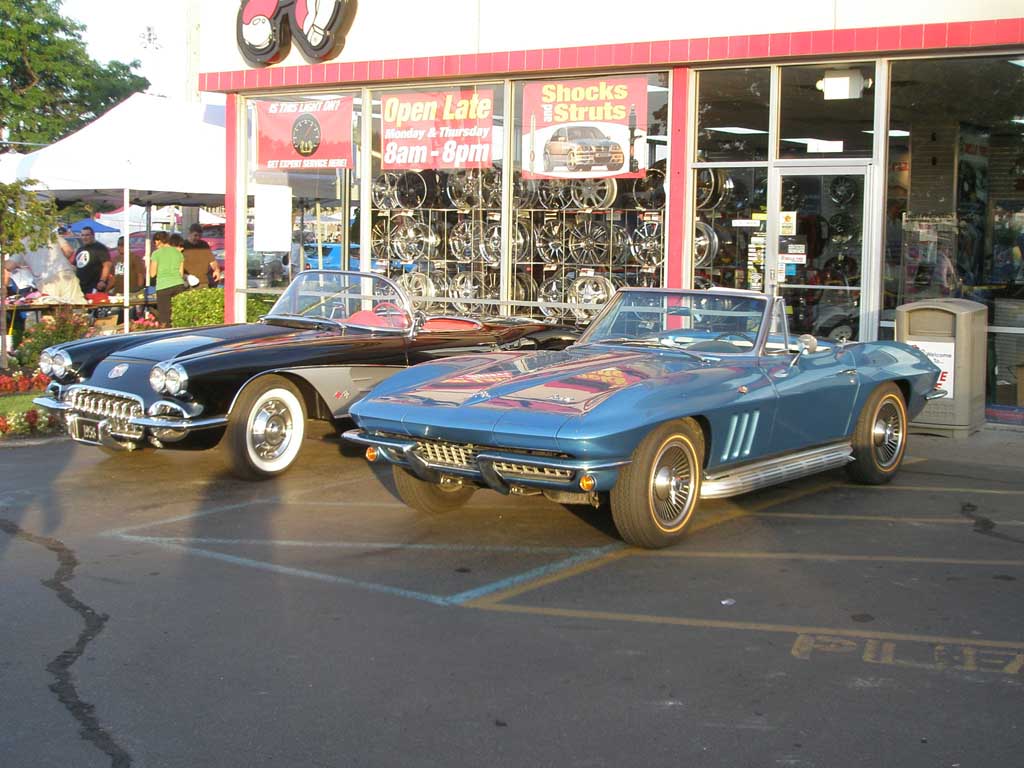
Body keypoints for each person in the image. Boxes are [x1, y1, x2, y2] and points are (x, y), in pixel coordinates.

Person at [150, 233, 186, 326]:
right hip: (178, 284)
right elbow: (181, 273)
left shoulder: (156, 254)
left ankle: (164, 335)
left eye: (155, 242)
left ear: (159, 241)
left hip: (163, 286)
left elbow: (152, 273)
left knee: (164, 317)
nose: (155, 244)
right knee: (178, 313)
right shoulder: (178, 253)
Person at [74, 226, 112, 294]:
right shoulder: (80, 249)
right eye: (82, 235)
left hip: (94, 285)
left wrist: (102, 281)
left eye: (87, 235)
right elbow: (75, 266)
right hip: (80, 286)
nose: (84, 238)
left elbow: (107, 265)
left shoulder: (100, 248)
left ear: (93, 235)